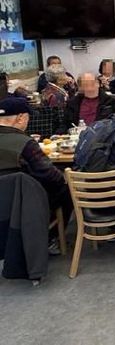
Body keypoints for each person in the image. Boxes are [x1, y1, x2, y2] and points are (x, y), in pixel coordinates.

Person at [0, 96, 73, 255]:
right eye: (28, 117)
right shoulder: (24, 143)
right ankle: (50, 238)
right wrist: (65, 178)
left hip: (4, 203)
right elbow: (50, 174)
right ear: (20, 118)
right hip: (24, 201)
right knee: (66, 191)